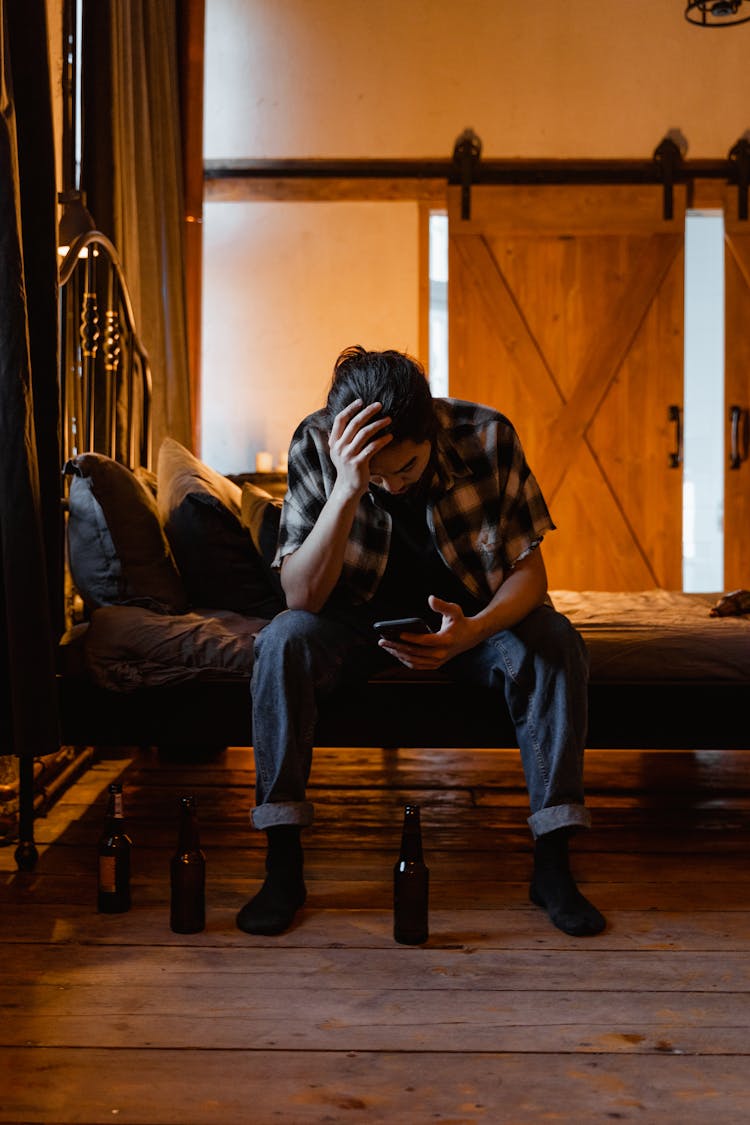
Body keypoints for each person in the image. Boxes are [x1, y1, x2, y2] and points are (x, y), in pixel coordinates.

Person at [237, 345, 606, 939]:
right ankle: (283, 865)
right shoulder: (316, 443)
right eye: (377, 475)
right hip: (351, 622)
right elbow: (301, 598)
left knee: (556, 641)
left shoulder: (487, 436)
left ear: (430, 430)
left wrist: (474, 634)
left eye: (404, 470)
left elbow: (530, 577)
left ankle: (554, 865)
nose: (393, 485)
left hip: (472, 621)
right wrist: (348, 487)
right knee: (281, 642)